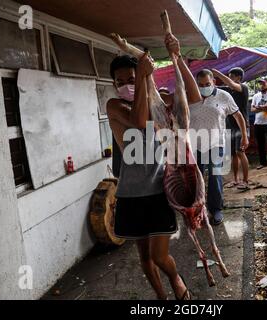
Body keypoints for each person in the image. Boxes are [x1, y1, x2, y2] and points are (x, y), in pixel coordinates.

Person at [106, 33, 202, 300]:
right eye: (120, 82)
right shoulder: (115, 105)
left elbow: (192, 97)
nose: (126, 85)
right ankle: (161, 298)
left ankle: (176, 281)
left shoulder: (157, 99)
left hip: (160, 190)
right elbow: (138, 121)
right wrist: (143, 78)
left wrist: (177, 57)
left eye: (131, 79)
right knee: (145, 256)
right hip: (130, 194)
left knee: (160, 256)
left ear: (144, 78)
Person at [189, 69, 249, 226]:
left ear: (213, 82)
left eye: (207, 84)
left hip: (216, 143)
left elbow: (238, 116)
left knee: (215, 176)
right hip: (195, 145)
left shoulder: (224, 96)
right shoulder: (191, 97)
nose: (204, 87)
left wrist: (244, 135)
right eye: (200, 85)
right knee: (196, 179)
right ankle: (198, 210)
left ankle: (216, 209)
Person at [212, 68, 251, 190]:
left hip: (241, 125)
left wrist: (217, 72)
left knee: (240, 152)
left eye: (231, 76)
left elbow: (229, 84)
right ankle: (236, 179)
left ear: (238, 77)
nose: (229, 79)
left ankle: (245, 181)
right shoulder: (229, 91)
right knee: (233, 154)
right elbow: (216, 88)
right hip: (229, 126)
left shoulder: (243, 88)